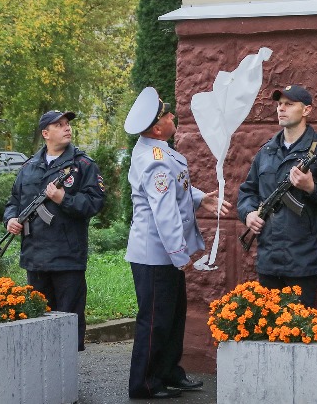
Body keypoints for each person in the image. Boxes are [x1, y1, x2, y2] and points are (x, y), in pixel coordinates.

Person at [124, 87, 230, 400]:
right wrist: (178, 252)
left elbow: (174, 190)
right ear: (158, 128)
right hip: (155, 253)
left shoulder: (157, 150)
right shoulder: (155, 159)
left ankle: (168, 371)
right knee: (155, 321)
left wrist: (200, 199)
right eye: (168, 115)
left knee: (173, 316)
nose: (172, 117)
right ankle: (144, 383)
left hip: (161, 253)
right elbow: (164, 210)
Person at [237, 85, 317, 308]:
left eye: (289, 104)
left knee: (298, 334)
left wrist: (312, 188)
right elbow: (247, 191)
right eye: (279, 104)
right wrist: (249, 213)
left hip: (304, 259)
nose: (281, 109)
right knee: (268, 332)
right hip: (269, 258)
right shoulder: (267, 151)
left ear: (307, 110)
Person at [4, 110, 105, 352]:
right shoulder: (29, 167)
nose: (67, 128)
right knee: (37, 322)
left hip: (67, 258)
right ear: (46, 133)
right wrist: (10, 219)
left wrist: (63, 199)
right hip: (35, 258)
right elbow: (13, 201)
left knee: (68, 322)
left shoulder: (82, 165)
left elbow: (95, 203)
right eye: (59, 125)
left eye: (67, 124)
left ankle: (67, 379)